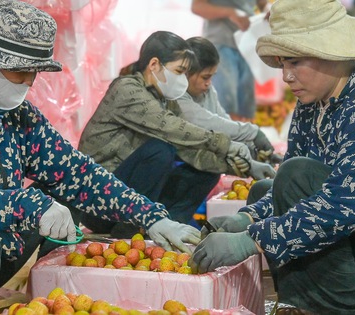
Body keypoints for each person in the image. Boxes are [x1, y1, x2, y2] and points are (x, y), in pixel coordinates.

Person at [0, 1, 202, 314]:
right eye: (21, 70)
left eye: (34, 71)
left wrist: (152, 216)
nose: (30, 80)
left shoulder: (18, 116)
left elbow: (77, 173)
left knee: (62, 199)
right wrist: (30, 205)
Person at [189, 0, 355, 314]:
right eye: (282, 64)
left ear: (330, 54)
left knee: (297, 178)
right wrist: (248, 218)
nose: (286, 77)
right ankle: (299, 306)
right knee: (267, 191)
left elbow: (344, 202)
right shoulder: (312, 103)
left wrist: (251, 239)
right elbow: (289, 186)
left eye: (294, 63)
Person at [77, 30, 275, 238]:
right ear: (154, 65)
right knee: (160, 150)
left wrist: (241, 167)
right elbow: (173, 128)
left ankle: (169, 228)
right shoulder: (127, 90)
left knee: (205, 170)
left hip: (125, 198)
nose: (182, 79)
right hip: (96, 201)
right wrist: (228, 145)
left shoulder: (165, 98)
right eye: (179, 71)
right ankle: (131, 229)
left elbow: (187, 149)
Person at [177, 36, 284, 164]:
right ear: (186, 73)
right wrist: (253, 132)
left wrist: (252, 151)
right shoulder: (176, 96)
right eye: (205, 77)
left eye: (211, 77)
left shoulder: (208, 90)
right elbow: (208, 123)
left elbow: (223, 121)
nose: (208, 83)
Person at [190, 0, 267, 122]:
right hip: (221, 42)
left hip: (248, 43)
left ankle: (244, 138)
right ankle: (229, 138)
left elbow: (263, 4)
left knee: (246, 107)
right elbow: (197, 6)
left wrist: (268, 10)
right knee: (225, 105)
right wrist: (230, 12)